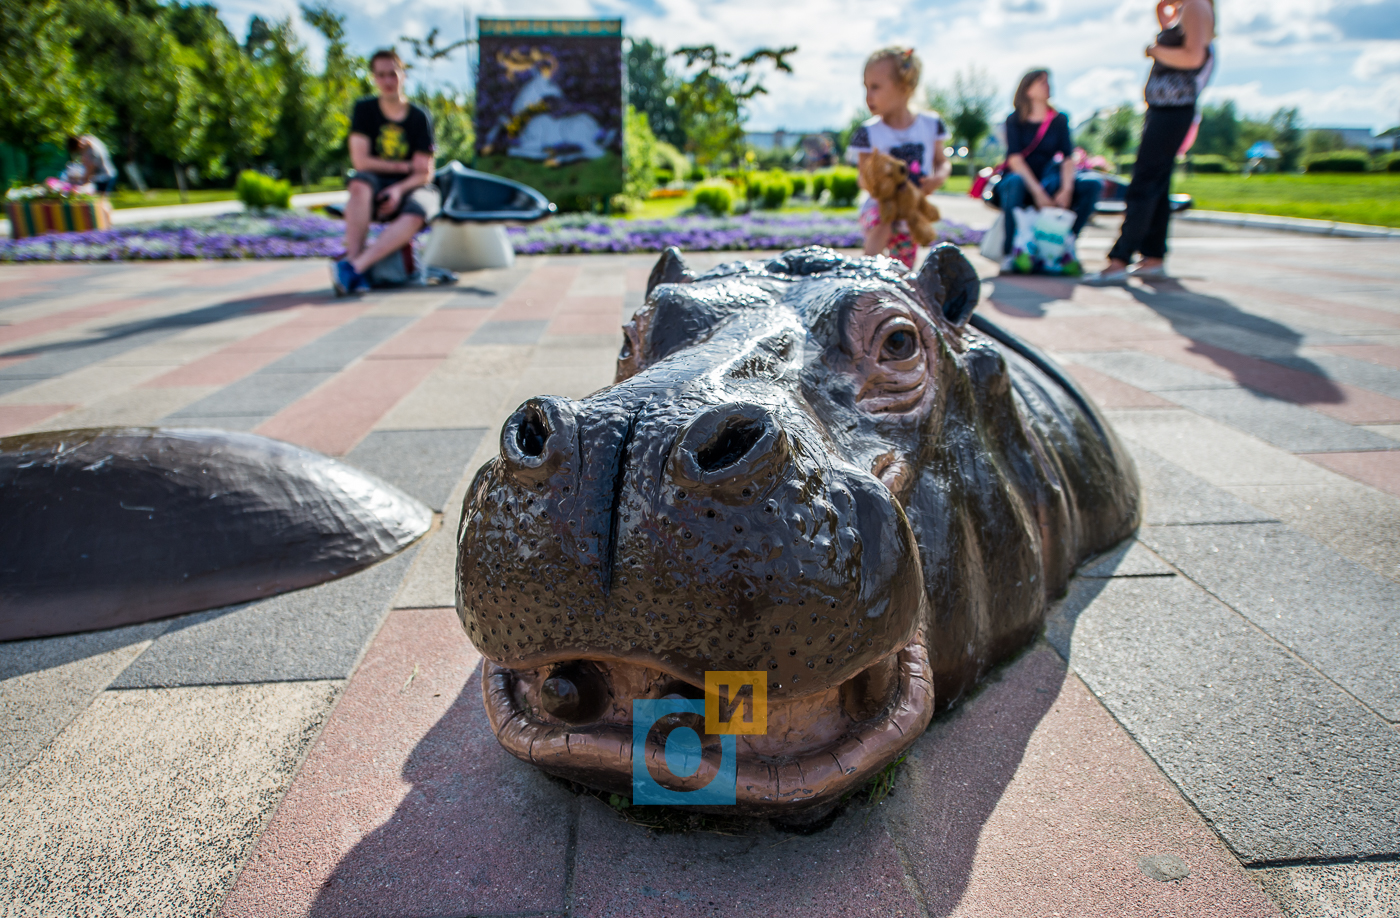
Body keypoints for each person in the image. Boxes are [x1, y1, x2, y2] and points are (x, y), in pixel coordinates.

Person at [1085, 0, 1215, 284]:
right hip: (1166, 109)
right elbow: (1171, 26)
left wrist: (1153, 50)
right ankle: (1153, 256)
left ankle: (1119, 260)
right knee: (1158, 184)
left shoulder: (1195, 5)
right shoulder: (1188, 7)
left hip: (1172, 110)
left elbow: (1193, 57)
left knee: (1143, 183)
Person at [332, 48, 441, 296]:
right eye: (381, 75)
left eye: (392, 74)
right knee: (359, 185)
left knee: (419, 210)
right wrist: (400, 167)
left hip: (412, 185)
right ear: (374, 78)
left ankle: (354, 268)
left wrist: (398, 188)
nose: (387, 81)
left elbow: (423, 172)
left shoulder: (419, 116)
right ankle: (354, 263)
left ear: (403, 75)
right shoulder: (365, 110)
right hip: (374, 181)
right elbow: (361, 161)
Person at [846, 47, 952, 269]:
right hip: (878, 208)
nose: (868, 96)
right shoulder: (869, 132)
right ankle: (866, 275)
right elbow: (863, 177)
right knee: (882, 223)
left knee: (904, 264)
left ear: (903, 87)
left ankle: (901, 289)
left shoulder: (930, 125)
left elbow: (942, 161)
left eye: (875, 87)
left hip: (910, 209)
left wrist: (937, 179)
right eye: (865, 88)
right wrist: (878, 185)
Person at [995, 70, 1101, 272]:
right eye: (1041, 82)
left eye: (1048, 81)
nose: (1048, 86)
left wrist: (1067, 189)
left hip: (1051, 179)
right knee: (1015, 182)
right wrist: (1038, 193)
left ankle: (1066, 243)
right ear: (1028, 90)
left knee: (1092, 184)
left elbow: (1068, 157)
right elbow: (1015, 159)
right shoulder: (1014, 120)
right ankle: (1010, 252)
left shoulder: (1059, 119)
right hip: (1023, 180)